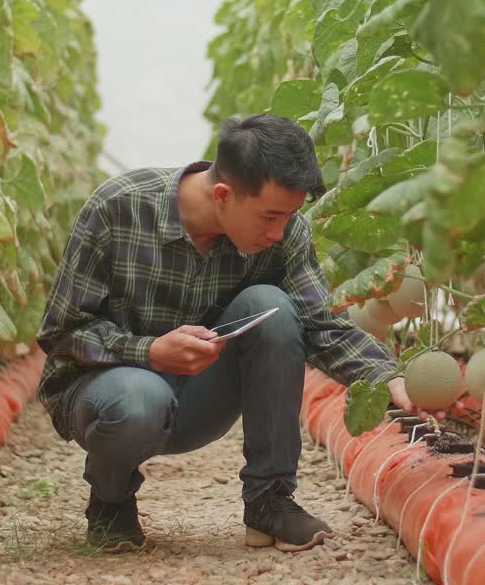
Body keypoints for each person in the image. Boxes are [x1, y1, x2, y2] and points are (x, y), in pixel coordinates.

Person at [35, 114, 435, 554]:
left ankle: (270, 502)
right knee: (139, 398)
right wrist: (150, 351)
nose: (279, 232)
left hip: (196, 400)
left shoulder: (283, 233)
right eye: (270, 216)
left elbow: (321, 323)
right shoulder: (118, 207)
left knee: (273, 306)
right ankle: (110, 501)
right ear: (222, 195)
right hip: (109, 396)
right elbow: (62, 332)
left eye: (289, 216)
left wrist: (388, 376)